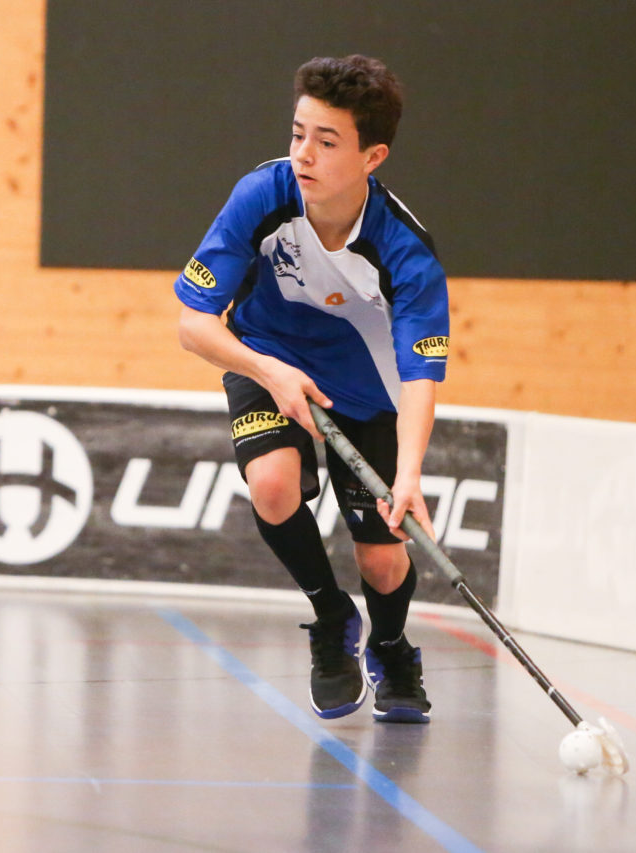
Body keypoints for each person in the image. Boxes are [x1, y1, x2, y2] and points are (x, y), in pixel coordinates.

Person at [174, 55, 448, 723]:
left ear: (372, 155)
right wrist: (269, 371)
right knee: (271, 483)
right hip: (266, 353)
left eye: (327, 141)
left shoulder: (405, 251)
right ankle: (332, 619)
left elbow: (420, 375)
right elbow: (192, 324)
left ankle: (389, 644)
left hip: (368, 392)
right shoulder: (261, 196)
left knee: (383, 563)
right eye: (298, 133)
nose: (304, 153)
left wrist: (408, 476)